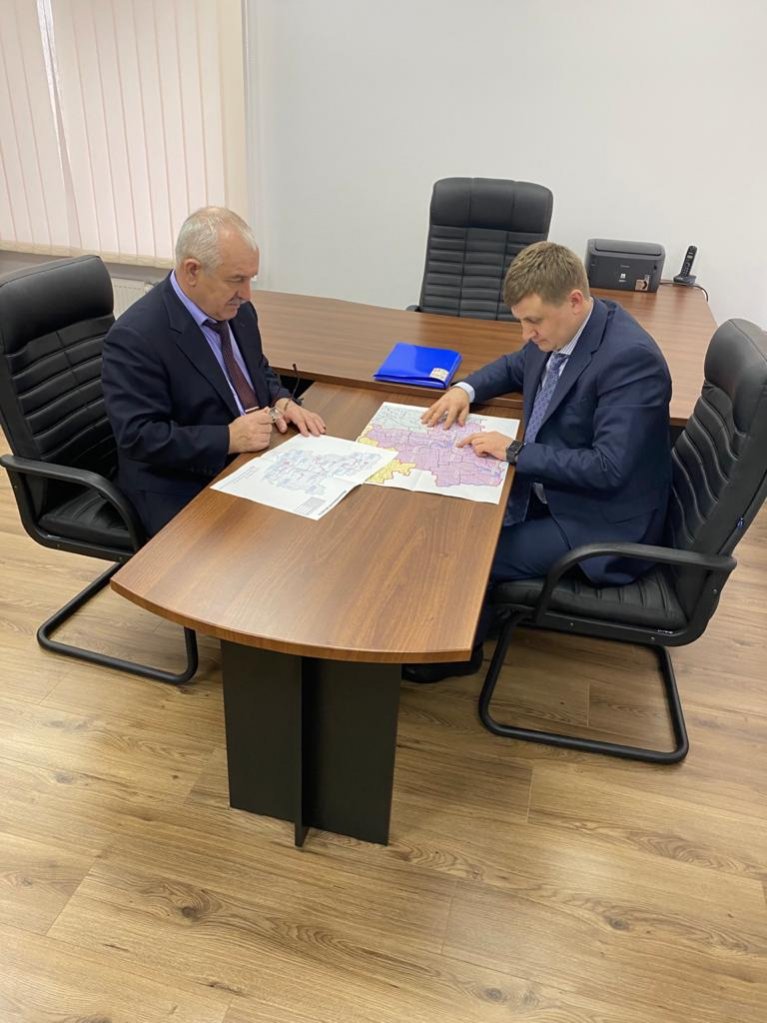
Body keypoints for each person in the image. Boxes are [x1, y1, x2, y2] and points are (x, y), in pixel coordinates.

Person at [403, 241, 672, 683]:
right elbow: (515, 366)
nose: (526, 334)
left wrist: (514, 452)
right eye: (521, 321)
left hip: (599, 520)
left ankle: (458, 653)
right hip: (559, 489)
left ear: (574, 300)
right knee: (457, 519)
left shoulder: (630, 361)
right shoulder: (563, 330)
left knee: (472, 553)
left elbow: (608, 468)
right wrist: (464, 390)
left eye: (533, 322)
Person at [102, 207, 325, 536]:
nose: (247, 294)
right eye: (236, 279)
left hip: (249, 460)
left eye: (250, 279)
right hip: (180, 481)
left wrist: (281, 400)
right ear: (192, 270)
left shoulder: (237, 310)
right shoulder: (136, 337)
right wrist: (228, 438)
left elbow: (257, 368)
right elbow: (140, 436)